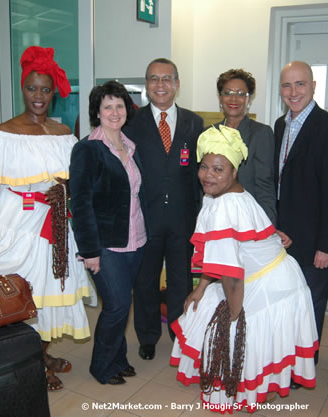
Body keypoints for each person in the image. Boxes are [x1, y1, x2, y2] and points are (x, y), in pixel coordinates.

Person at [0, 46, 95, 391]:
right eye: (31, 88)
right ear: (22, 89)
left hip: (55, 228)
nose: (38, 96)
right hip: (18, 226)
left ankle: (40, 353)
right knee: (24, 296)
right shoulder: (3, 134)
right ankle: (33, 361)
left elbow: (75, 180)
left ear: (54, 91)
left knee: (52, 290)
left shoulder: (64, 132)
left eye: (45, 89)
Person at [170, 125, 318, 413]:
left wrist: (233, 321)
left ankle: (251, 388)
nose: (207, 175)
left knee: (239, 331)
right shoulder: (220, 195)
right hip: (265, 273)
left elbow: (231, 274)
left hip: (269, 283)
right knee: (207, 308)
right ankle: (253, 384)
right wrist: (201, 289)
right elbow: (218, 255)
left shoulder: (224, 204)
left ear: (234, 171)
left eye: (218, 169)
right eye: (203, 167)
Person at [123, 58, 204, 361]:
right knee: (145, 280)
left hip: (184, 218)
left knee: (181, 281)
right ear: (146, 85)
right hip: (145, 217)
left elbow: (199, 171)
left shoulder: (194, 123)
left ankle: (179, 333)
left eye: (167, 78)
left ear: (177, 84)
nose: (160, 85)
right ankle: (147, 337)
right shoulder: (131, 123)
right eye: (154, 79)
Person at [273, 61, 328, 377]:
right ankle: (284, 359)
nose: (294, 92)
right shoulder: (280, 125)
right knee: (285, 304)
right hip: (280, 239)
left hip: (313, 240)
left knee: (310, 305)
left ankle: (304, 365)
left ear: (313, 86)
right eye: (287, 85)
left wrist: (327, 246)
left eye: (300, 84)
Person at [69, 81, 147, 385]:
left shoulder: (130, 145)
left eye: (119, 105)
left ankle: (118, 358)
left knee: (122, 303)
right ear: (97, 113)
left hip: (136, 240)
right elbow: (81, 203)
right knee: (115, 306)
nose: (115, 112)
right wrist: (89, 252)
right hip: (105, 245)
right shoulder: (87, 149)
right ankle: (101, 366)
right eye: (107, 107)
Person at [213, 69, 276, 223]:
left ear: (249, 100)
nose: (234, 99)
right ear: (220, 98)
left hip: (248, 220)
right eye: (227, 93)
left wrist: (267, 228)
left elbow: (265, 185)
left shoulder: (261, 133)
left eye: (241, 94)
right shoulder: (209, 133)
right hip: (215, 217)